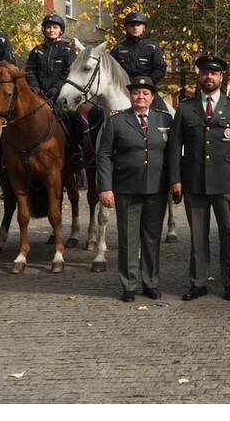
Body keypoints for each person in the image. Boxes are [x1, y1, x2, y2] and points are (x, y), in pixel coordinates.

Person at [167, 54, 230, 301]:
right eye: (205, 72)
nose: (209, 77)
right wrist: (175, 179)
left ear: (221, 77)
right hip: (193, 182)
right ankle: (198, 282)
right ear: (199, 75)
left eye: (214, 73)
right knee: (197, 236)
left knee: (228, 233)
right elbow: (174, 147)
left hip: (227, 182)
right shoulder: (185, 108)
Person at [96, 76, 174, 303]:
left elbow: (172, 155)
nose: (141, 97)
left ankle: (151, 282)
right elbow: (104, 155)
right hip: (127, 188)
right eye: (136, 93)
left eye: (145, 93)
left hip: (156, 188)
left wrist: (174, 182)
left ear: (152, 97)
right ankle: (129, 284)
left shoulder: (164, 119)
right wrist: (105, 187)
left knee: (152, 238)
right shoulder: (117, 121)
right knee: (129, 239)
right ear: (130, 96)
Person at [24, 13, 85, 163]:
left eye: (55, 27)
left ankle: (76, 147)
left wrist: (56, 89)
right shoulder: (37, 50)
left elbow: (68, 72)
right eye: (48, 27)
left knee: (73, 115)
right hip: (38, 94)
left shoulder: (67, 50)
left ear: (61, 30)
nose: (51, 30)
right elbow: (29, 71)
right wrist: (35, 87)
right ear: (44, 30)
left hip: (61, 94)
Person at [110, 11, 167, 111]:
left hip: (146, 88)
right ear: (126, 28)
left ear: (143, 27)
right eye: (132, 25)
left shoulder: (152, 47)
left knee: (163, 113)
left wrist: (148, 82)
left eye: (138, 25)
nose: (135, 28)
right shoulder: (118, 48)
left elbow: (160, 69)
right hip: (123, 89)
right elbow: (110, 70)